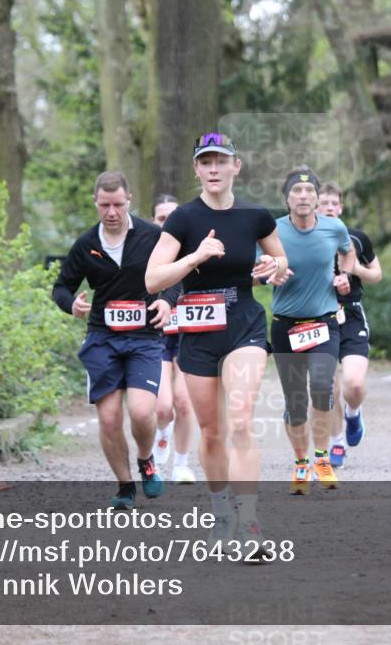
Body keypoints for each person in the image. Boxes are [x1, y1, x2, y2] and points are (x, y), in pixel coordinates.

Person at [145, 132, 288, 556]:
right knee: (211, 432)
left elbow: (280, 260)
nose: (213, 169)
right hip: (199, 332)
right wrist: (194, 257)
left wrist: (273, 266)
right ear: (196, 169)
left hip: (244, 323)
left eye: (220, 161)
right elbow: (153, 279)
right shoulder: (183, 220)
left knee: (241, 421)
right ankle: (221, 512)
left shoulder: (256, 216)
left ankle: (249, 523)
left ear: (235, 167)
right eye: (205, 162)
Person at [53, 171, 179, 509]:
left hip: (144, 338)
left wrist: (167, 299)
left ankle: (146, 459)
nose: (111, 212)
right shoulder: (85, 244)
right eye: (104, 205)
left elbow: (177, 274)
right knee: (109, 419)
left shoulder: (153, 236)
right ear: (96, 203)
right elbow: (61, 287)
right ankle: (125, 487)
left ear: (129, 202)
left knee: (141, 413)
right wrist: (72, 305)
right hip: (102, 338)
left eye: (118, 205)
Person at [262, 167, 355, 495]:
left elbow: (348, 251)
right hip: (286, 325)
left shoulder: (334, 227)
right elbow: (256, 270)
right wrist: (268, 275)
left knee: (321, 386)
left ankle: (321, 458)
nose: (303, 197)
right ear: (286, 197)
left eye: (309, 192)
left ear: (317, 198)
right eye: (296, 192)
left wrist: (345, 276)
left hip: (324, 323)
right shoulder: (272, 231)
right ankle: (301, 462)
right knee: (295, 402)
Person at [315, 182, 382, 468]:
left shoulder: (357, 238)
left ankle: (353, 413)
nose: (329, 207)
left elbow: (376, 275)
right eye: (324, 203)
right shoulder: (307, 239)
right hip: (319, 316)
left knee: (353, 384)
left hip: (351, 315)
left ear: (341, 207)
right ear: (316, 207)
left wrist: (356, 270)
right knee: (327, 386)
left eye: (334, 203)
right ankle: (337, 442)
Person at [151, 195, 196, 484]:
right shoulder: (146, 253)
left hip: (190, 335)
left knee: (184, 402)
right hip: (156, 336)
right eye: (160, 219)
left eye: (172, 217)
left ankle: (181, 464)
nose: (167, 224)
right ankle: (163, 431)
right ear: (153, 221)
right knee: (163, 407)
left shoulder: (195, 251)